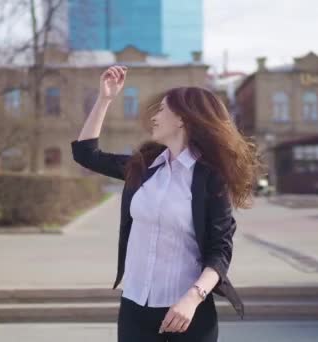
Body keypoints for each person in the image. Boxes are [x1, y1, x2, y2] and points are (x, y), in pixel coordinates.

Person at [71, 65, 260, 342]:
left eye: (161, 110)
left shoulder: (210, 177)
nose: (154, 117)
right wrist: (105, 99)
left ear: (182, 119)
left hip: (186, 314)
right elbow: (87, 154)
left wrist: (192, 299)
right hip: (135, 308)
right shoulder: (144, 166)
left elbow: (220, 252)